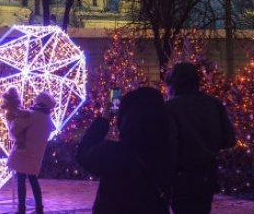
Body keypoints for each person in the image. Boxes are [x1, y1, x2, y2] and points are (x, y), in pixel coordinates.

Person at [77, 87, 174, 214]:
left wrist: (105, 118)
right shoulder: (168, 155)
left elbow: (83, 152)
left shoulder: (113, 154)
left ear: (125, 119)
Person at [165, 62, 236, 214]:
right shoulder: (213, 103)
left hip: (181, 178)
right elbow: (229, 139)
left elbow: (170, 145)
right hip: (207, 174)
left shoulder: (170, 107)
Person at [7, 91, 56, 214]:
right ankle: (39, 208)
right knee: (33, 179)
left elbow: (14, 129)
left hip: (23, 152)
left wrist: (11, 120)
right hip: (36, 154)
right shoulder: (47, 119)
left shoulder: (31, 115)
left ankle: (21, 209)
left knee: (21, 180)